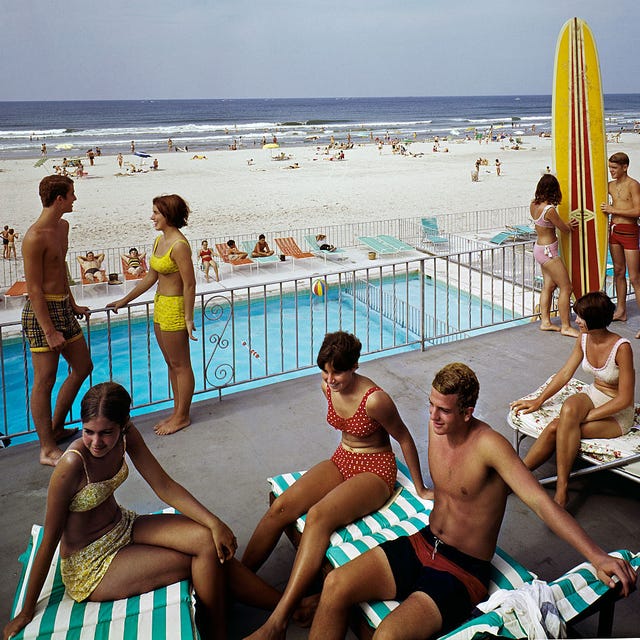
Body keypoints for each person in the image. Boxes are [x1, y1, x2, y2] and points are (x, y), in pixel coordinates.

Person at [307, 362, 637, 640]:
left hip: (462, 570)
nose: (434, 417)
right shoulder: (437, 425)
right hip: (424, 542)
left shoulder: (490, 447)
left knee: (388, 636)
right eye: (431, 406)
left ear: (468, 412)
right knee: (335, 584)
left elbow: (541, 503)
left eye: (444, 410)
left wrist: (597, 556)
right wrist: (422, 488)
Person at [2, 382, 290, 640]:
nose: (96, 442)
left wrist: (214, 523)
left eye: (106, 432)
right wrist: (26, 612)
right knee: (203, 558)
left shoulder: (128, 436)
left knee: (207, 540)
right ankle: (224, 631)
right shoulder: (71, 465)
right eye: (88, 431)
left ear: (124, 424)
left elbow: (163, 485)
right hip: (90, 563)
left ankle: (285, 605)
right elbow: (51, 537)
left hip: (123, 525)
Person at [242, 331, 430, 639]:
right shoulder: (327, 387)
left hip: (375, 469)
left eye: (338, 372)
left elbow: (404, 437)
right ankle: (238, 578)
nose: (330, 380)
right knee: (281, 507)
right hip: (342, 458)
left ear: (355, 365)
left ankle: (278, 620)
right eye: (326, 371)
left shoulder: (376, 400)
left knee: (318, 517)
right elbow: (343, 426)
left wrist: (420, 488)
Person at [512, 291, 635, 507]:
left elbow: (625, 399)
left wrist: (583, 419)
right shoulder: (584, 338)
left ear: (594, 320)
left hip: (616, 412)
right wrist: (539, 400)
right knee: (568, 410)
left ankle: (557, 487)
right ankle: (515, 476)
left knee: (555, 428)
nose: (575, 320)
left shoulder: (622, 348)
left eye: (580, 317)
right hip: (593, 394)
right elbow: (565, 373)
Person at [108, 194, 196, 436]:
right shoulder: (159, 241)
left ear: (168, 215)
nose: (152, 217)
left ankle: (183, 416)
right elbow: (151, 276)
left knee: (181, 365)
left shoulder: (179, 245)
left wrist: (188, 318)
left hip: (175, 308)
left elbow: (190, 284)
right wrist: (124, 300)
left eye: (156, 213)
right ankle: (177, 411)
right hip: (160, 306)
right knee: (170, 363)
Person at [21, 175, 93, 466]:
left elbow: (60, 268)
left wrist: (72, 302)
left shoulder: (62, 227)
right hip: (41, 314)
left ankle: (56, 426)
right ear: (59, 199)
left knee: (83, 366)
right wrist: (49, 330)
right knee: (44, 380)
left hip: (63, 306)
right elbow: (35, 288)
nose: (75, 199)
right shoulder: (34, 236)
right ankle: (47, 449)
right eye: (72, 194)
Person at [530, 174, 579, 337]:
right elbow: (563, 229)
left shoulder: (534, 204)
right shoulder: (549, 210)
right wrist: (569, 225)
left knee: (549, 286)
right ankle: (566, 325)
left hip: (539, 248)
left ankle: (545, 321)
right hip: (548, 251)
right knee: (566, 287)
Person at [600, 152, 640, 334]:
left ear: (625, 167)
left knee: (634, 278)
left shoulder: (633, 185)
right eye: (610, 168)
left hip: (630, 232)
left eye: (614, 168)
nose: (611, 171)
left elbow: (637, 211)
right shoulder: (609, 185)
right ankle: (621, 310)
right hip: (614, 231)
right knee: (618, 272)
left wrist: (612, 209)